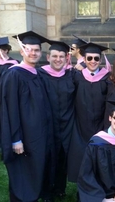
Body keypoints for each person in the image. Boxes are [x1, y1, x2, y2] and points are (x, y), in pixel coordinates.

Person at [0, 31, 54, 202]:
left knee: (35, 173)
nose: (33, 53)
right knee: (23, 175)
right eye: (29, 49)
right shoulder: (14, 74)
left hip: (39, 137)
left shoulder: (38, 75)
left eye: (37, 50)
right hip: (23, 138)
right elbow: (10, 110)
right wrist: (15, 139)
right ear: (21, 51)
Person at [67, 42, 110, 186]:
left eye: (96, 58)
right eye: (89, 58)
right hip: (80, 126)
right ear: (84, 59)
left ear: (101, 60)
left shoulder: (106, 78)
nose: (93, 61)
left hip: (99, 126)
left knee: (99, 158)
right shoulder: (77, 76)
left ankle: (99, 188)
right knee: (81, 157)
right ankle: (83, 190)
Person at [37, 40, 75, 200]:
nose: (58, 59)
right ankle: (46, 190)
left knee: (62, 156)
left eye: (61, 56)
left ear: (66, 58)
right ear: (48, 57)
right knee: (47, 157)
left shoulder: (72, 75)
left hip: (66, 125)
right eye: (54, 56)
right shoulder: (39, 75)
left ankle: (60, 188)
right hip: (47, 125)